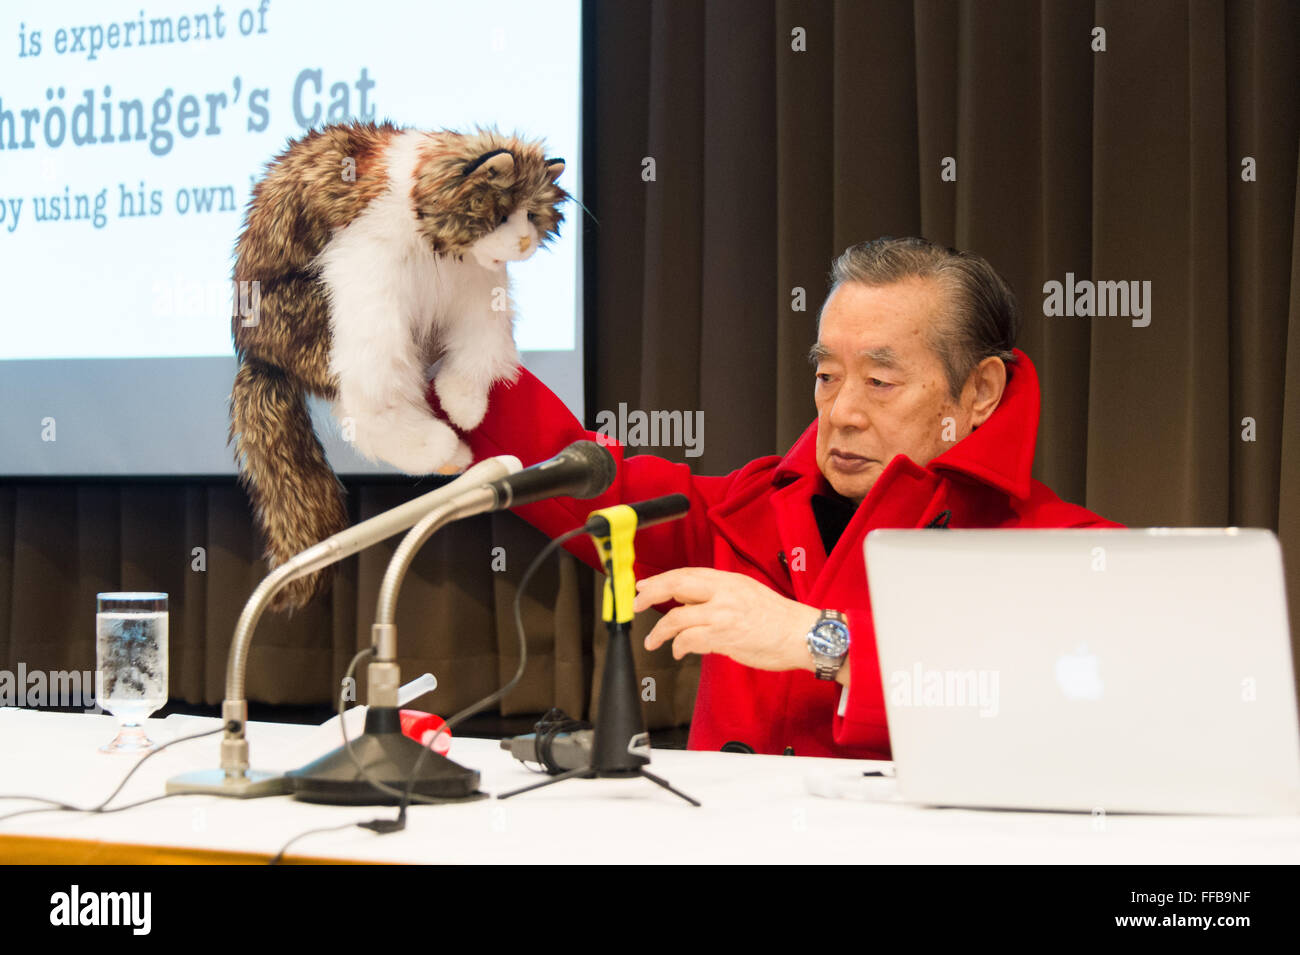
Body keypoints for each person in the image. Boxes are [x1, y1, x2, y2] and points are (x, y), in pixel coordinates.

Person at [430, 236, 1119, 758]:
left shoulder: (1058, 548)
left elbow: (1083, 690)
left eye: (880, 381)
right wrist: (437, 329)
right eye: (826, 374)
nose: (841, 411)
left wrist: (815, 639)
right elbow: (573, 474)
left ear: (979, 394)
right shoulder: (747, 509)